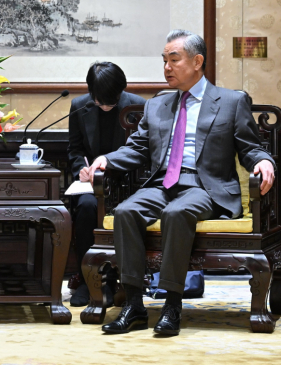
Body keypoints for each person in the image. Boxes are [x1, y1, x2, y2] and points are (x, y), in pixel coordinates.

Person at [82, 30, 276, 335]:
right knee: (126, 212)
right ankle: (134, 306)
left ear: (197, 62)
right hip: (162, 184)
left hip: (205, 187)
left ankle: (172, 305)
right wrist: (107, 159)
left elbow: (250, 148)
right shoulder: (157, 104)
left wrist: (264, 161)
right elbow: (138, 148)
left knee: (176, 213)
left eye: (174, 60)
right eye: (164, 60)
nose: (167, 67)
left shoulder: (231, 101)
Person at [67, 62, 145, 306]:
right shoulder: (80, 106)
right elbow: (75, 149)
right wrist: (80, 169)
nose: (104, 106)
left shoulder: (138, 107)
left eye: (110, 102)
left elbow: (144, 152)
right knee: (87, 207)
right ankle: (87, 279)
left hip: (127, 182)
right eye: (99, 101)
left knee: (124, 210)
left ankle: (112, 280)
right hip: (92, 184)